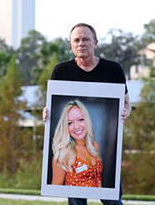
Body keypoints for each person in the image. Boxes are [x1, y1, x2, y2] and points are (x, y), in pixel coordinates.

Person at [43, 23, 131, 205]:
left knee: (114, 202)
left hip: (106, 179)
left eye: (86, 39)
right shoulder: (61, 71)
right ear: (70, 45)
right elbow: (50, 104)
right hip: (71, 168)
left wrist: (124, 112)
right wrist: (46, 112)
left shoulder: (112, 69)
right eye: (76, 40)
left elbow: (127, 103)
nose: (81, 43)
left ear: (95, 42)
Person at [52, 99, 102, 187]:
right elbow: (54, 189)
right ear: (65, 127)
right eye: (70, 123)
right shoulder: (63, 154)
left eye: (81, 120)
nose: (76, 126)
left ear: (87, 120)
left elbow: (98, 180)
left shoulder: (94, 146)